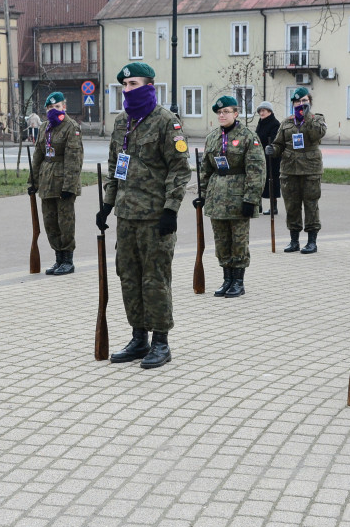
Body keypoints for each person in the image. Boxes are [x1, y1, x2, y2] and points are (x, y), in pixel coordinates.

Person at [96, 62, 191, 369]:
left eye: (133, 84)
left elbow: (179, 169)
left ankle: (161, 342)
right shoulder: (122, 122)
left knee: (155, 279)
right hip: (126, 216)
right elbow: (115, 166)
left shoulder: (166, 122)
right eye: (124, 85)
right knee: (129, 277)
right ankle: (139, 338)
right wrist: (108, 204)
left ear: (149, 85)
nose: (127, 90)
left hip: (154, 217)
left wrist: (171, 210)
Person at [194, 96, 266, 297]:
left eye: (226, 112)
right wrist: (202, 194)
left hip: (238, 196)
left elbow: (256, 170)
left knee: (239, 241)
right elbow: (205, 170)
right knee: (221, 240)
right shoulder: (212, 137)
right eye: (219, 112)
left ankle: (238, 281)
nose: (222, 115)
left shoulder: (248, 137)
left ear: (236, 113)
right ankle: (226, 279)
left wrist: (251, 199)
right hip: (217, 198)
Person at [28, 92, 84, 275]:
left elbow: (74, 160)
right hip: (46, 184)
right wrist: (33, 181)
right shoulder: (44, 127)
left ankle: (68, 260)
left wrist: (69, 186)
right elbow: (38, 157)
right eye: (50, 108)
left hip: (63, 185)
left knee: (65, 223)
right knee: (50, 222)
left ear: (64, 107)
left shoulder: (71, 127)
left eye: (57, 107)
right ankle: (58, 258)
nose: (53, 110)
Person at [266, 87, 327, 254]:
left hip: (310, 170)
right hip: (289, 170)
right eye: (298, 101)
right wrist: (273, 149)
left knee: (311, 205)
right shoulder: (286, 122)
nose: (301, 104)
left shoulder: (317, 119)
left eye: (304, 101)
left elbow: (317, 134)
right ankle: (294, 241)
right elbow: (279, 144)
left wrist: (306, 116)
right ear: (293, 103)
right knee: (292, 206)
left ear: (310, 102)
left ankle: (312, 241)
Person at [254, 101, 280, 215]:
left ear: (269, 111)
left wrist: (269, 148)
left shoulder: (275, 124)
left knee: (271, 181)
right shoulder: (261, 123)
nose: (261, 113)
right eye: (260, 111)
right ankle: (258, 206)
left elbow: (275, 140)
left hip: (271, 157)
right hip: (259, 156)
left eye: (263, 110)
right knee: (258, 180)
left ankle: (273, 207)